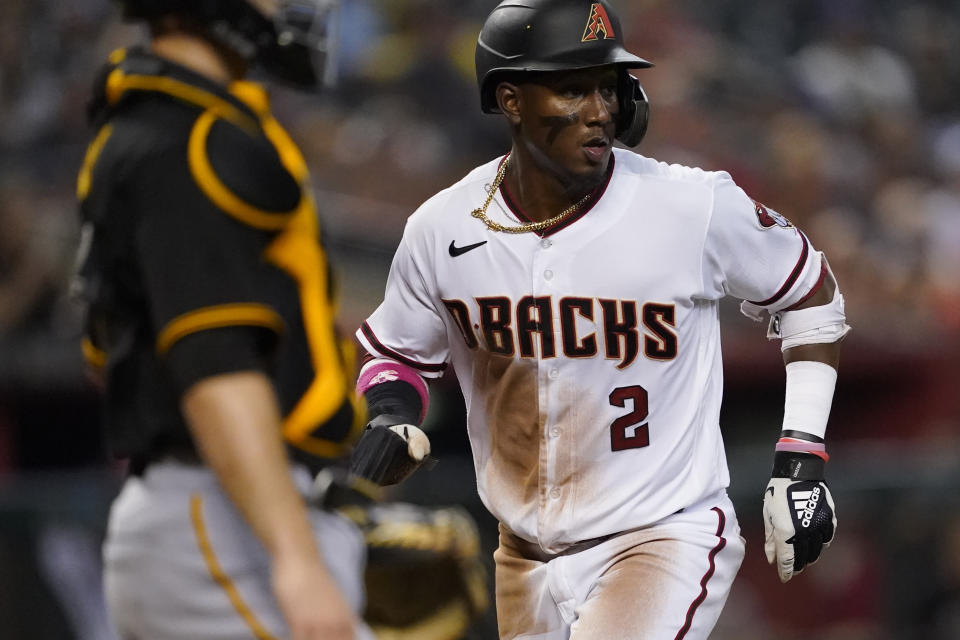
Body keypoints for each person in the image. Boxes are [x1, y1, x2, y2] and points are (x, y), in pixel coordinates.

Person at [349, 0, 849, 638]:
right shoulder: (442, 227)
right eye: (571, 88)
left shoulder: (690, 206)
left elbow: (810, 294)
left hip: (664, 534)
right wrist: (390, 414)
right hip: (522, 556)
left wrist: (801, 456)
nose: (600, 110)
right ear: (511, 99)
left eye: (608, 87)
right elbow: (395, 354)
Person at [72, 1, 375, 638]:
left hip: (220, 511)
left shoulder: (170, 123)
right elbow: (214, 369)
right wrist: (296, 558)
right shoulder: (186, 142)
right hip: (219, 520)